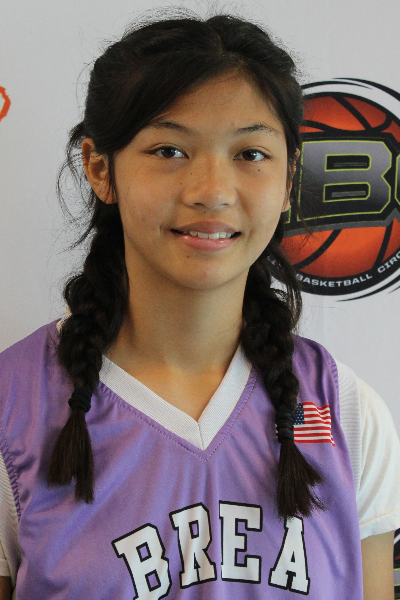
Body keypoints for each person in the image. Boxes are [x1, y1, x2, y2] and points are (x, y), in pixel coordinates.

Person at [0, 10, 399, 600]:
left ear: (290, 178)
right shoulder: (12, 406)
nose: (212, 192)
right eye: (169, 150)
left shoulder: (348, 413)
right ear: (100, 169)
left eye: (250, 154)